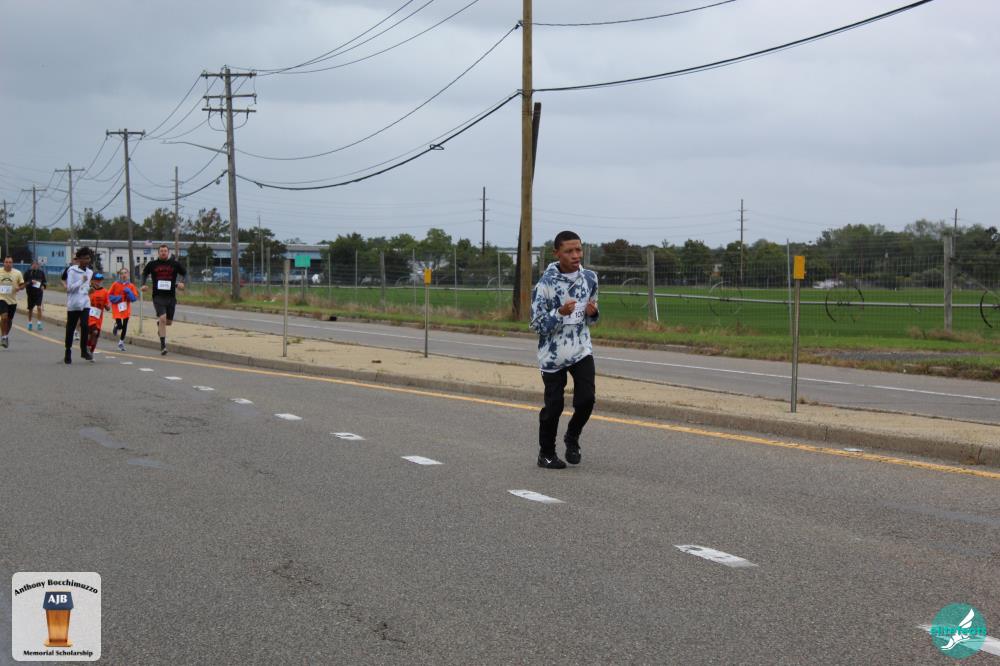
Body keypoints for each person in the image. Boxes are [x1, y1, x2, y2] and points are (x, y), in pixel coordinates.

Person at [529, 231, 600, 469]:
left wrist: (592, 313)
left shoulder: (590, 278)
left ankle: (572, 436)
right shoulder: (545, 284)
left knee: (587, 399)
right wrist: (560, 313)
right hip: (553, 355)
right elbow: (537, 325)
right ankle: (546, 453)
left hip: (581, 349)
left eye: (578, 249)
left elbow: (591, 318)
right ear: (556, 253)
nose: (575, 255)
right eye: (569, 251)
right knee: (554, 406)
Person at [141, 244, 186, 355]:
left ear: (168, 252)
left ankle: (160, 326)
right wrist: (143, 284)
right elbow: (144, 273)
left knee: (168, 322)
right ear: (158, 253)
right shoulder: (152, 264)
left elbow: (184, 273)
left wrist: (181, 283)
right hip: (158, 296)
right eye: (161, 251)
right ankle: (163, 346)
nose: (163, 253)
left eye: (165, 251)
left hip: (171, 296)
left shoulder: (174, 264)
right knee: (162, 318)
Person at [64, 247, 94, 364]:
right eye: (85, 258)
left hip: (85, 302)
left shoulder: (90, 272)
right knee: (70, 328)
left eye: (88, 258)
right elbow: (69, 288)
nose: (87, 261)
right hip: (74, 303)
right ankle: (68, 350)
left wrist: (89, 289)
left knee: (85, 325)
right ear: (79, 259)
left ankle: (84, 350)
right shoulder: (72, 271)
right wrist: (81, 280)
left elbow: (85, 287)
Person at [108, 268, 138, 351]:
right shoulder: (115, 284)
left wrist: (129, 292)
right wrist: (118, 298)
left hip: (126, 308)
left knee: (125, 326)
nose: (124, 275)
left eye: (125, 273)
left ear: (128, 274)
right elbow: (109, 295)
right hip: (117, 307)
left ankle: (121, 342)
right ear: (120, 275)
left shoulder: (131, 286)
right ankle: (117, 325)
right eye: (122, 273)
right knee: (120, 326)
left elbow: (134, 298)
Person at [0, 256, 26, 348]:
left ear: (12, 263)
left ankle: (5, 335)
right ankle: (3, 337)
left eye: (10, 262)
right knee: (4, 316)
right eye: (6, 262)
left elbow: (22, 285)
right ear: (4, 263)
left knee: (9, 320)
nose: (8, 264)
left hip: (12, 300)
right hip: (1, 298)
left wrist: (20, 287)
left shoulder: (17, 273)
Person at [86, 272, 110, 354]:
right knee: (93, 332)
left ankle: (91, 351)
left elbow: (108, 306)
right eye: (96, 280)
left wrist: (107, 306)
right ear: (92, 281)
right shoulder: (89, 290)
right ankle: (88, 346)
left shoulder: (105, 292)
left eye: (100, 280)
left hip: (98, 317)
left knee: (96, 335)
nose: (98, 282)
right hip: (89, 316)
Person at [23, 260, 47, 331]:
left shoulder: (41, 272)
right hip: (30, 293)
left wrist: (43, 286)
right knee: (30, 309)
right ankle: (30, 322)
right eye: (33, 264)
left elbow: (44, 282)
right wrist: (31, 282)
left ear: (38, 265)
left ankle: (39, 323)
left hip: (39, 292)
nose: (35, 266)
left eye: (36, 264)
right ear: (31, 265)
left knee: (39, 307)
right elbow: (24, 283)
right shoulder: (27, 273)